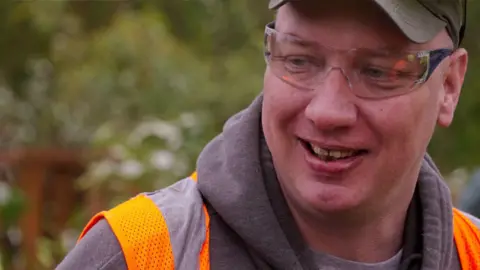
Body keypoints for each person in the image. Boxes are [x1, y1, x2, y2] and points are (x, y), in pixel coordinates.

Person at [57, 0, 480, 269]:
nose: (327, 111)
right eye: (299, 60)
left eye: (380, 71)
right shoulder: (141, 254)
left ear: (449, 86)